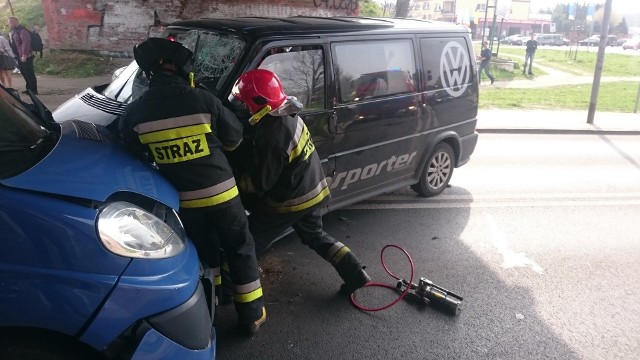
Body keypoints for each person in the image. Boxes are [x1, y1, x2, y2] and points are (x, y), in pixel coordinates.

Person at [118, 38, 266, 335]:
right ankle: (251, 315)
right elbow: (235, 139)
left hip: (185, 204)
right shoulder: (202, 100)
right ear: (177, 67)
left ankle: (214, 303)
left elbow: (135, 155)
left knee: (205, 254)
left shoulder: (136, 114)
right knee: (239, 249)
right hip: (224, 197)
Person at [229, 68, 371, 296]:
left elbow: (259, 184)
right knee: (315, 236)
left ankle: (234, 293)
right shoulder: (286, 114)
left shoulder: (272, 136)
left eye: (245, 103)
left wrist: (233, 182)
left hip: (291, 200)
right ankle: (355, 273)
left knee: (249, 242)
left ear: (258, 103)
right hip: (312, 188)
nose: (242, 108)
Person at [8, 16, 37, 94]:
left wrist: (24, 55)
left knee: (29, 72)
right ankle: (29, 89)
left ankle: (33, 90)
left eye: (10, 22)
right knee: (24, 73)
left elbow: (25, 43)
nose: (9, 24)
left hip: (26, 56)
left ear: (15, 22)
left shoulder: (23, 31)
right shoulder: (14, 31)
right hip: (19, 56)